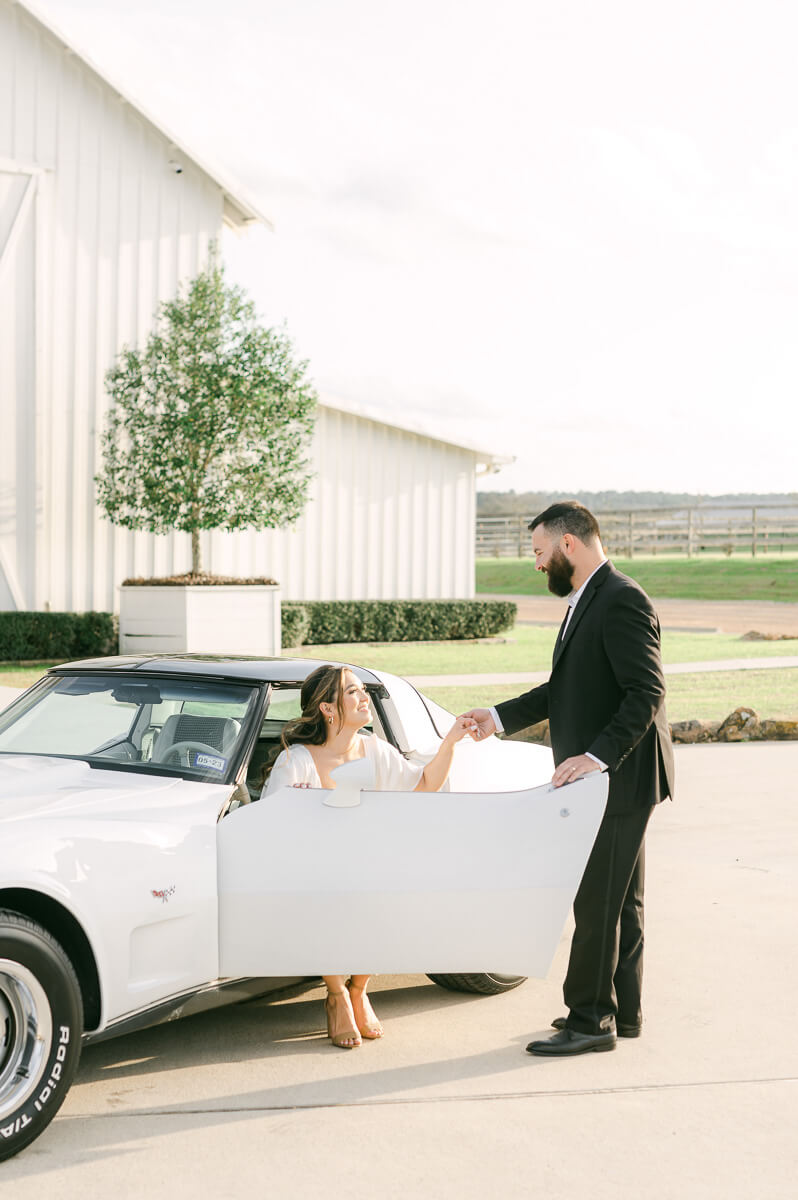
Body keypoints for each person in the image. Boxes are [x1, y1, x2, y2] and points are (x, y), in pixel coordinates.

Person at [461, 500, 674, 1057]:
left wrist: (595, 757)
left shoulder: (622, 599)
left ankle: (588, 1022)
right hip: (618, 778)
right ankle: (622, 1015)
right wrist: (499, 718)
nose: (536, 564)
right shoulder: (589, 600)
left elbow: (646, 693)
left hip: (620, 778)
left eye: (538, 551)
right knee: (622, 901)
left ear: (569, 545)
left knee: (597, 902)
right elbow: (564, 688)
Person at [262, 662, 473, 1049]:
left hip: (367, 868)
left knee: (393, 892)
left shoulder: (375, 750)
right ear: (327, 708)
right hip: (312, 875)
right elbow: (275, 832)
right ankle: (336, 994)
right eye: (353, 691)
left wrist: (451, 742)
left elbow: (424, 784)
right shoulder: (296, 761)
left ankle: (359, 988)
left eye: (363, 690)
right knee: (327, 896)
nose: (364, 698)